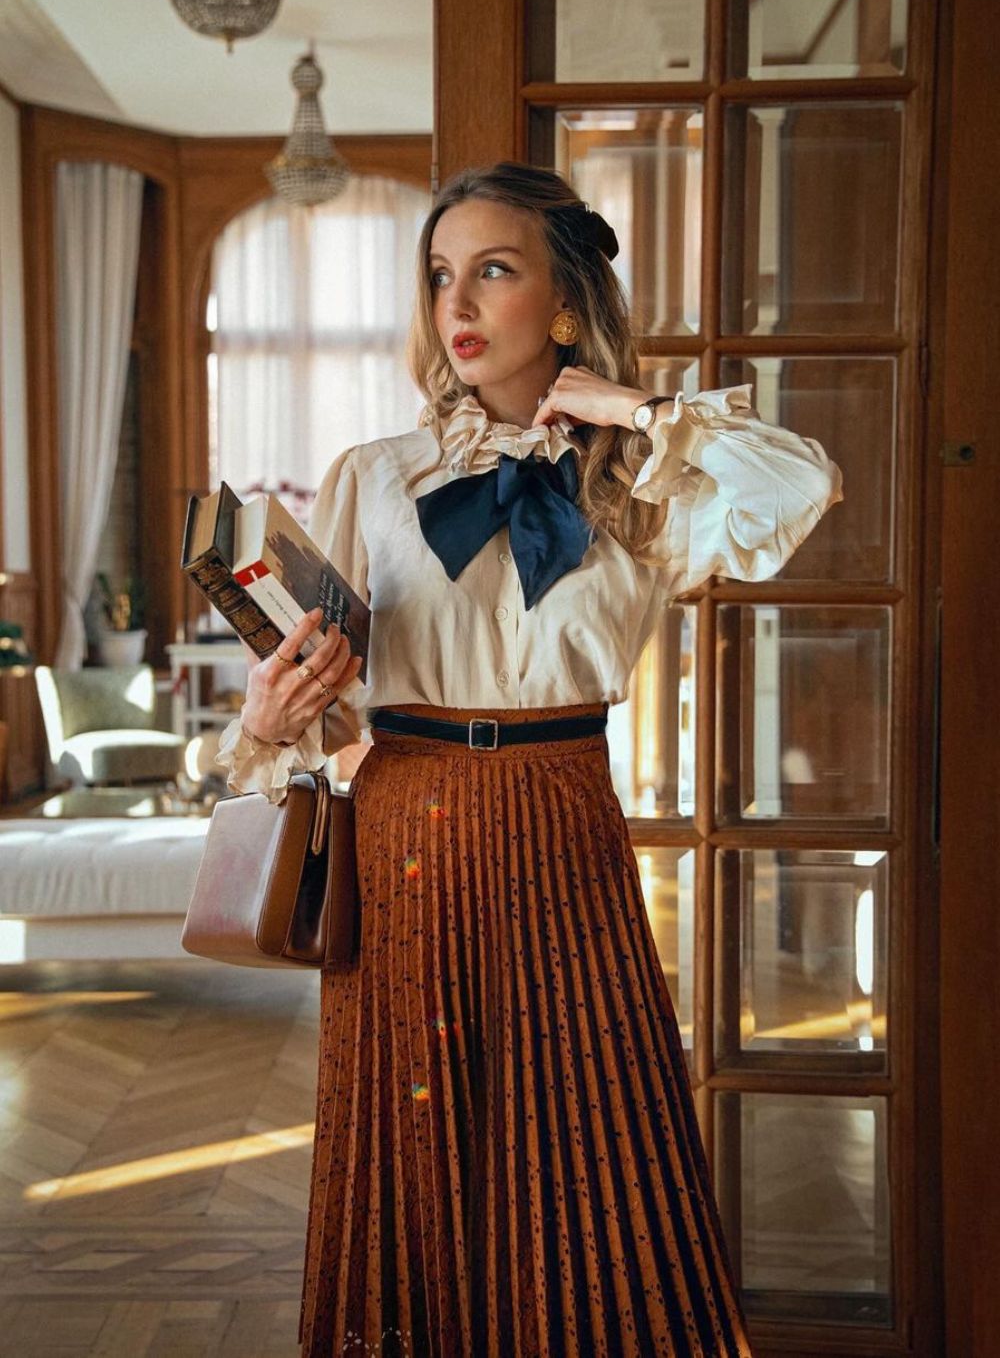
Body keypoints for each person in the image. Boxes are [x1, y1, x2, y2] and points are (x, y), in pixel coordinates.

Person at [216, 161, 844, 1357]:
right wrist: (268, 711)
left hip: (562, 825)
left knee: (588, 1138)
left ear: (562, 301)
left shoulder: (642, 486)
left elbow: (802, 484)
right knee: (414, 1140)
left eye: (493, 270)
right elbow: (331, 723)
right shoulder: (375, 477)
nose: (457, 301)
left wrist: (627, 412)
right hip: (403, 830)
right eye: (442, 275)